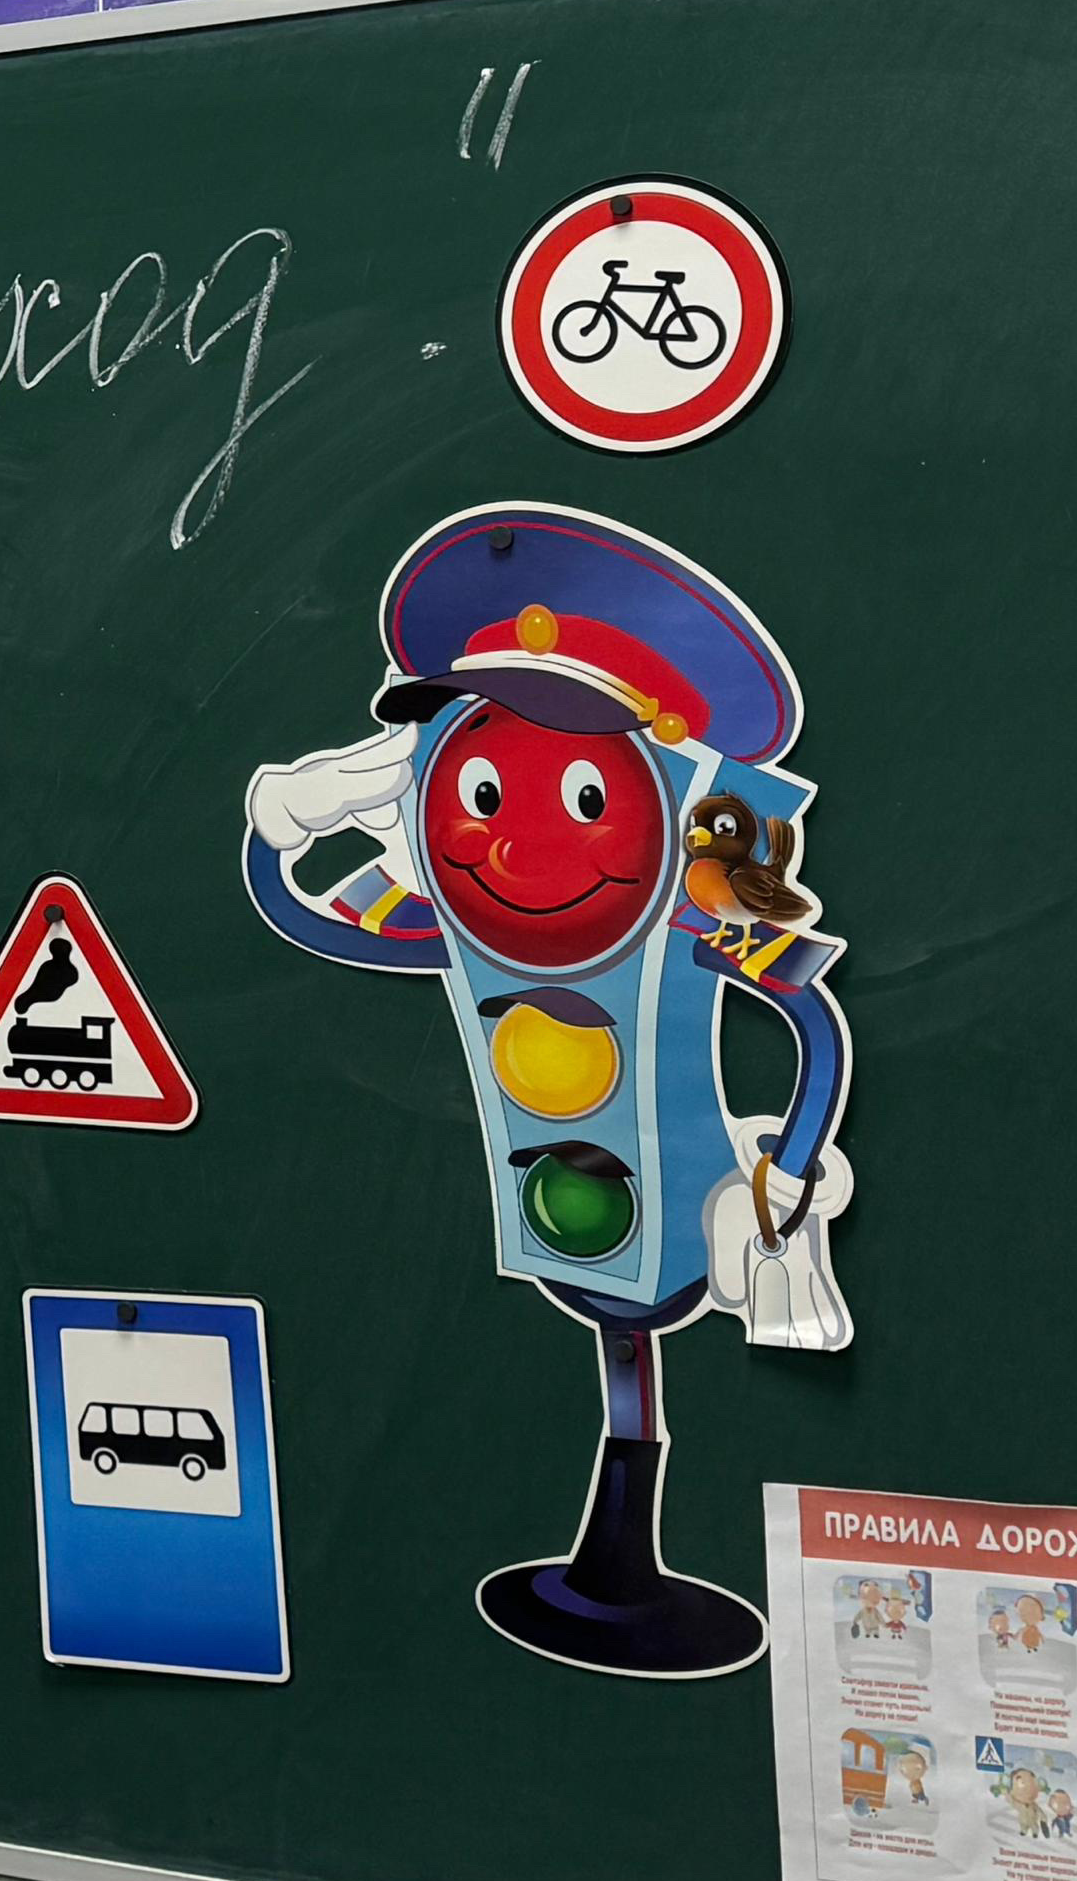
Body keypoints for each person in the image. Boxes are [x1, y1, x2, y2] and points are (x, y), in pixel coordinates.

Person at [240, 506, 852, 1676]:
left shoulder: (690, 917)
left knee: (630, 1311)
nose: (514, 846)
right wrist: (294, 817)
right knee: (610, 1309)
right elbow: (309, 914)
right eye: (481, 789)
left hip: (669, 1214)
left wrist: (788, 1169)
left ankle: (624, 1555)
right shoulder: (452, 921)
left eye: (577, 795)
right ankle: (611, 1554)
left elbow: (809, 1018)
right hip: (568, 1199)